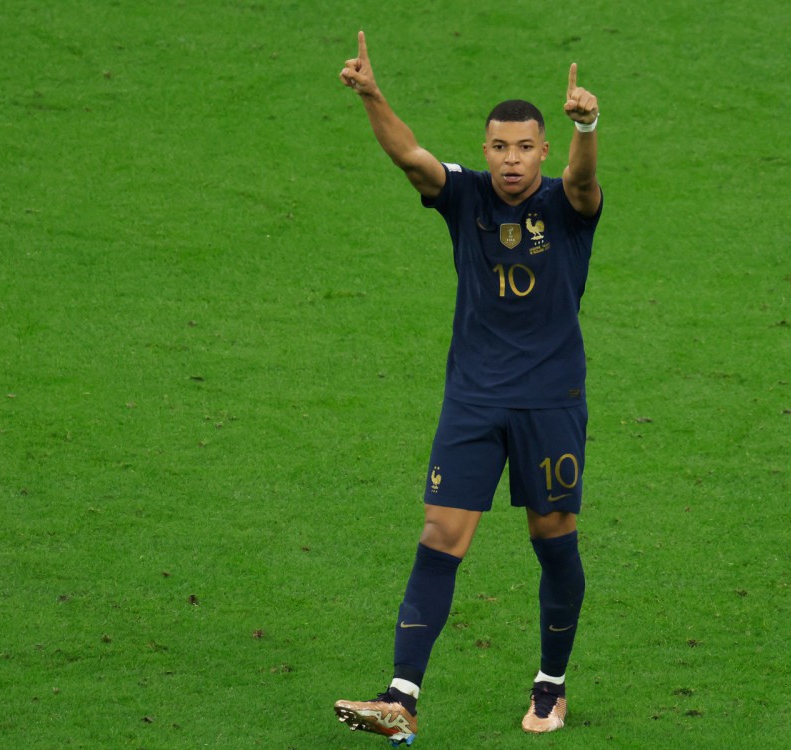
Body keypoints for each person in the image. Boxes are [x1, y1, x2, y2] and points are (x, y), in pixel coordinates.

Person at [332, 30, 603, 744]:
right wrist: (372, 94)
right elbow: (411, 157)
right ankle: (401, 698)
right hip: (474, 400)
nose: (511, 159)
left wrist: (587, 128)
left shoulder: (567, 206)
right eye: (500, 147)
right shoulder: (467, 196)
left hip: (550, 402)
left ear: (542, 151)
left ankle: (551, 685)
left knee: (553, 539)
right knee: (440, 534)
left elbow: (584, 183)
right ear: (486, 149)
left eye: (525, 147)